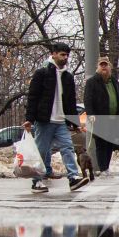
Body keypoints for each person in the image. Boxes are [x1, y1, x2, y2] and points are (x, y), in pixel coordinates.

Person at [24, 41, 91, 194]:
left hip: (61, 121)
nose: (64, 57)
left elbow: (70, 101)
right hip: (45, 120)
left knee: (67, 147)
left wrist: (74, 122)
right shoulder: (42, 73)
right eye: (62, 54)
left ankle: (73, 178)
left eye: (67, 55)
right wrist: (29, 118)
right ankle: (37, 181)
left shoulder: (67, 76)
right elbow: (33, 97)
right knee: (41, 151)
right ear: (53, 54)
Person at [82, 55, 119, 175]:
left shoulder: (114, 81)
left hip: (114, 118)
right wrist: (91, 114)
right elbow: (88, 100)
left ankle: (106, 167)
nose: (104, 67)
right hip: (100, 119)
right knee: (101, 144)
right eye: (101, 65)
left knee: (110, 144)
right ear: (98, 67)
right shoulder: (92, 82)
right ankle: (103, 168)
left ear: (110, 66)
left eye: (106, 65)